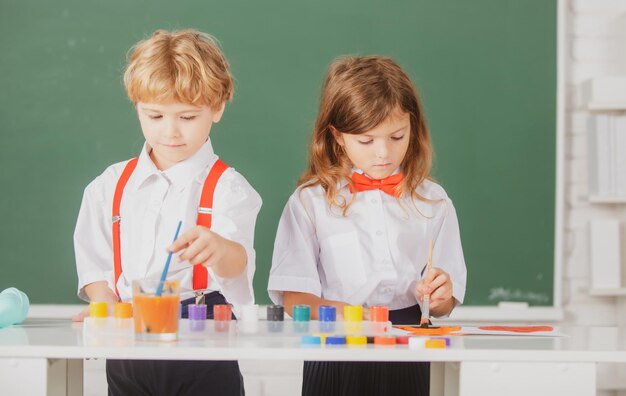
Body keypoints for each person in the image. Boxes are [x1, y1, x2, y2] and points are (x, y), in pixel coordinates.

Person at [73, 29, 261, 395]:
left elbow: (238, 264)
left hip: (203, 337)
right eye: (155, 115)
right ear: (137, 107)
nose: (170, 132)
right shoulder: (110, 185)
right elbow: (95, 265)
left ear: (217, 107)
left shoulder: (227, 187)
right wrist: (104, 303)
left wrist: (218, 249)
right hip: (128, 342)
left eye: (188, 117)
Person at [268, 55, 466, 395]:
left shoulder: (434, 201)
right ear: (337, 136)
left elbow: (446, 302)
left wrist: (439, 295)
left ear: (413, 128)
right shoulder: (310, 202)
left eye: (397, 137)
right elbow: (294, 295)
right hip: (334, 342)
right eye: (366, 140)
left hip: (409, 345)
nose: (383, 153)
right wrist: (356, 317)